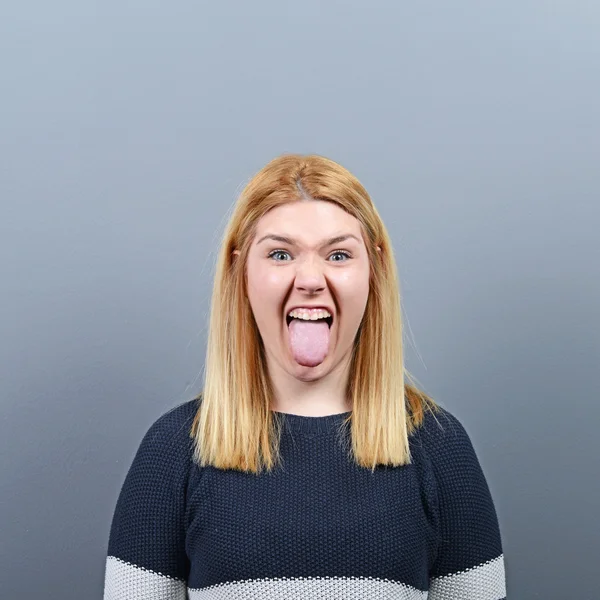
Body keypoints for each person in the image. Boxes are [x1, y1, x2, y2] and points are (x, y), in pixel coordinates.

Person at [103, 154, 506, 599]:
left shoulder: (439, 448)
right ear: (241, 271)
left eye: (338, 254)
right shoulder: (174, 451)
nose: (311, 278)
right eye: (280, 254)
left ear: (373, 269)